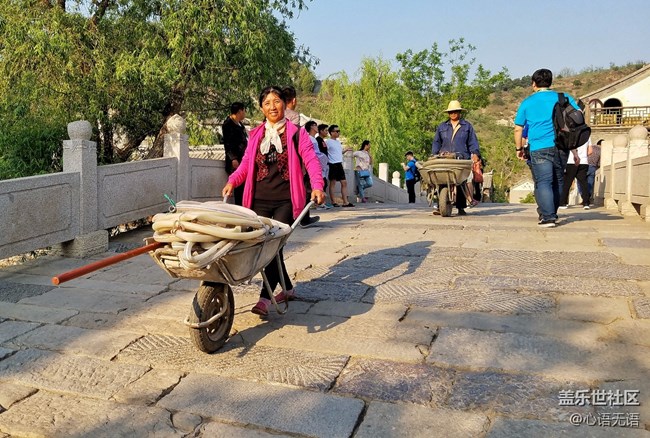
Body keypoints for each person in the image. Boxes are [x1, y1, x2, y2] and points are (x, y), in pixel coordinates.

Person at [222, 86, 325, 317]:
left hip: (286, 201)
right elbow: (247, 164)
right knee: (270, 248)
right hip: (258, 201)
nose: (272, 107)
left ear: (285, 104)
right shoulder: (256, 134)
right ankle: (287, 288)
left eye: (277, 101)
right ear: (261, 107)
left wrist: (318, 185)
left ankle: (264, 299)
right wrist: (233, 181)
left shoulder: (296, 133)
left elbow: (311, 160)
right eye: (267, 103)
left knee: (272, 245)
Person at [514, 68, 580, 227]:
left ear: (533, 84)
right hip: (561, 146)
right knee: (558, 181)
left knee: (543, 181)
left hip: (539, 147)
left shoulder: (528, 102)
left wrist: (519, 149)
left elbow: (518, 128)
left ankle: (548, 216)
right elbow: (577, 117)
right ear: (550, 82)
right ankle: (552, 213)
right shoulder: (563, 97)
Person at [431, 100, 480, 216]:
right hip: (445, 157)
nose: (453, 114)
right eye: (451, 112)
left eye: (455, 111)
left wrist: (475, 153)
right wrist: (434, 154)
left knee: (461, 181)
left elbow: (472, 141)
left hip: (461, 156)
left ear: (459, 112)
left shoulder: (467, 126)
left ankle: (461, 207)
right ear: (448, 113)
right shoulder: (442, 126)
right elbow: (436, 142)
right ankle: (440, 205)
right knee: (442, 179)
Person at [222, 102, 248, 205]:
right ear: (240, 111)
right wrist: (233, 158)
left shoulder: (240, 125)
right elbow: (227, 143)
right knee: (238, 187)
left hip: (243, 158)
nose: (244, 113)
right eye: (244, 111)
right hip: (235, 160)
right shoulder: (228, 124)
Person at [305, 121, 332, 210]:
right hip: (314, 163)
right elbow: (312, 153)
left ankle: (319, 203)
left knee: (323, 182)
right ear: (312, 127)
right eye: (315, 125)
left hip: (320, 163)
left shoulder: (313, 139)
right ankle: (315, 203)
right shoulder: (309, 138)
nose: (317, 127)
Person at [326, 125, 354, 207]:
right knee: (333, 183)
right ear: (331, 133)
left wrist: (345, 150)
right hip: (332, 164)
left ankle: (346, 202)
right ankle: (333, 201)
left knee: (344, 182)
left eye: (339, 131)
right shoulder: (327, 142)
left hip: (339, 164)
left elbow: (338, 153)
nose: (338, 133)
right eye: (336, 131)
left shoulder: (338, 142)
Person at [559, 139, 590, 210]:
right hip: (583, 162)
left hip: (571, 161)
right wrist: (583, 155)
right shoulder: (587, 136)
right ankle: (586, 203)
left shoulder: (570, 135)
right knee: (583, 183)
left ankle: (563, 202)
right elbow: (590, 151)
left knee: (567, 183)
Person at [587, 139, 603, 205]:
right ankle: (587, 198)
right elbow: (599, 163)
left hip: (584, 165)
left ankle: (583, 196)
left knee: (581, 182)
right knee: (590, 184)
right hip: (593, 167)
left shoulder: (590, 147)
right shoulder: (600, 150)